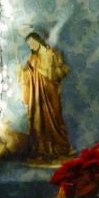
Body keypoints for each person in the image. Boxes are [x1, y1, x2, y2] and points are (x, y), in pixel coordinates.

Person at [19, 31, 72, 160]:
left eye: (31, 43)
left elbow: (56, 72)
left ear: (37, 40)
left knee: (54, 117)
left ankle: (59, 146)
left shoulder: (51, 53)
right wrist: (24, 70)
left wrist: (39, 69)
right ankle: (41, 148)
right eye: (29, 45)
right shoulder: (33, 58)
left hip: (50, 91)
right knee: (38, 119)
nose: (31, 46)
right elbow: (28, 76)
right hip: (37, 94)